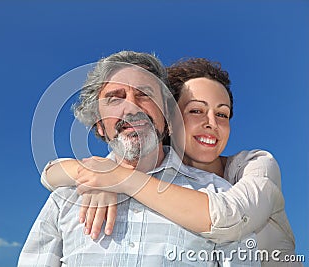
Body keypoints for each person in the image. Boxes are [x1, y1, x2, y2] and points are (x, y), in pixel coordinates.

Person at [40, 58, 301, 266]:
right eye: (196, 110)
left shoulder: (239, 177)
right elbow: (50, 173)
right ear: (98, 125)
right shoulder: (65, 197)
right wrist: (93, 174)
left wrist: (120, 178)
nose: (131, 108)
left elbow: (227, 216)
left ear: (166, 116)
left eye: (144, 95)